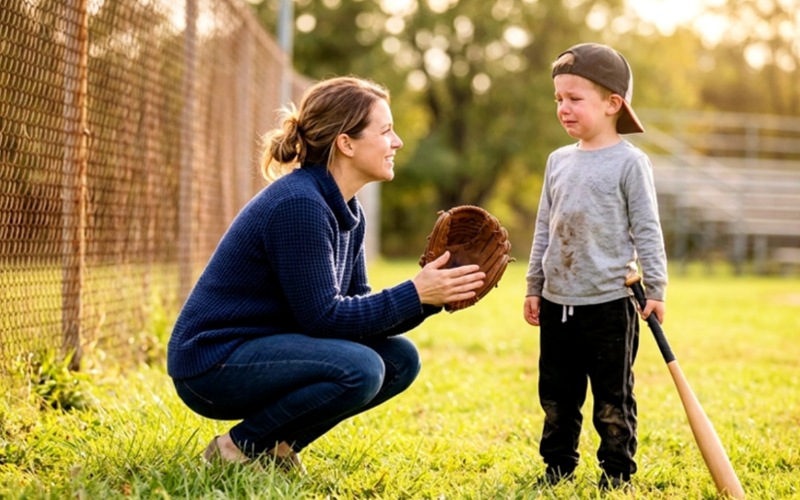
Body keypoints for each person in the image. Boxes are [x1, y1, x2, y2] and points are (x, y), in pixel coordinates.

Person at [167, 76, 486, 472]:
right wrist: (415, 293)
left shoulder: (346, 209)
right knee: (362, 369)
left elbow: (359, 317)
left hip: (264, 350)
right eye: (386, 131)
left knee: (400, 359)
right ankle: (236, 448)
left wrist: (434, 295)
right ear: (346, 143)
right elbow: (323, 318)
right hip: (212, 363)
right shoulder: (299, 204)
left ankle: (278, 449)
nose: (397, 142)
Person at [523, 43, 668, 490]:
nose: (563, 108)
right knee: (557, 396)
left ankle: (617, 473)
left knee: (612, 398)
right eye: (558, 100)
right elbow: (545, 227)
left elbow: (647, 229)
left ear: (612, 104)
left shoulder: (630, 163)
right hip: (557, 300)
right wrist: (534, 284)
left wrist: (657, 287)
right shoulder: (557, 161)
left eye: (574, 99)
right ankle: (557, 467)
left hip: (609, 304)